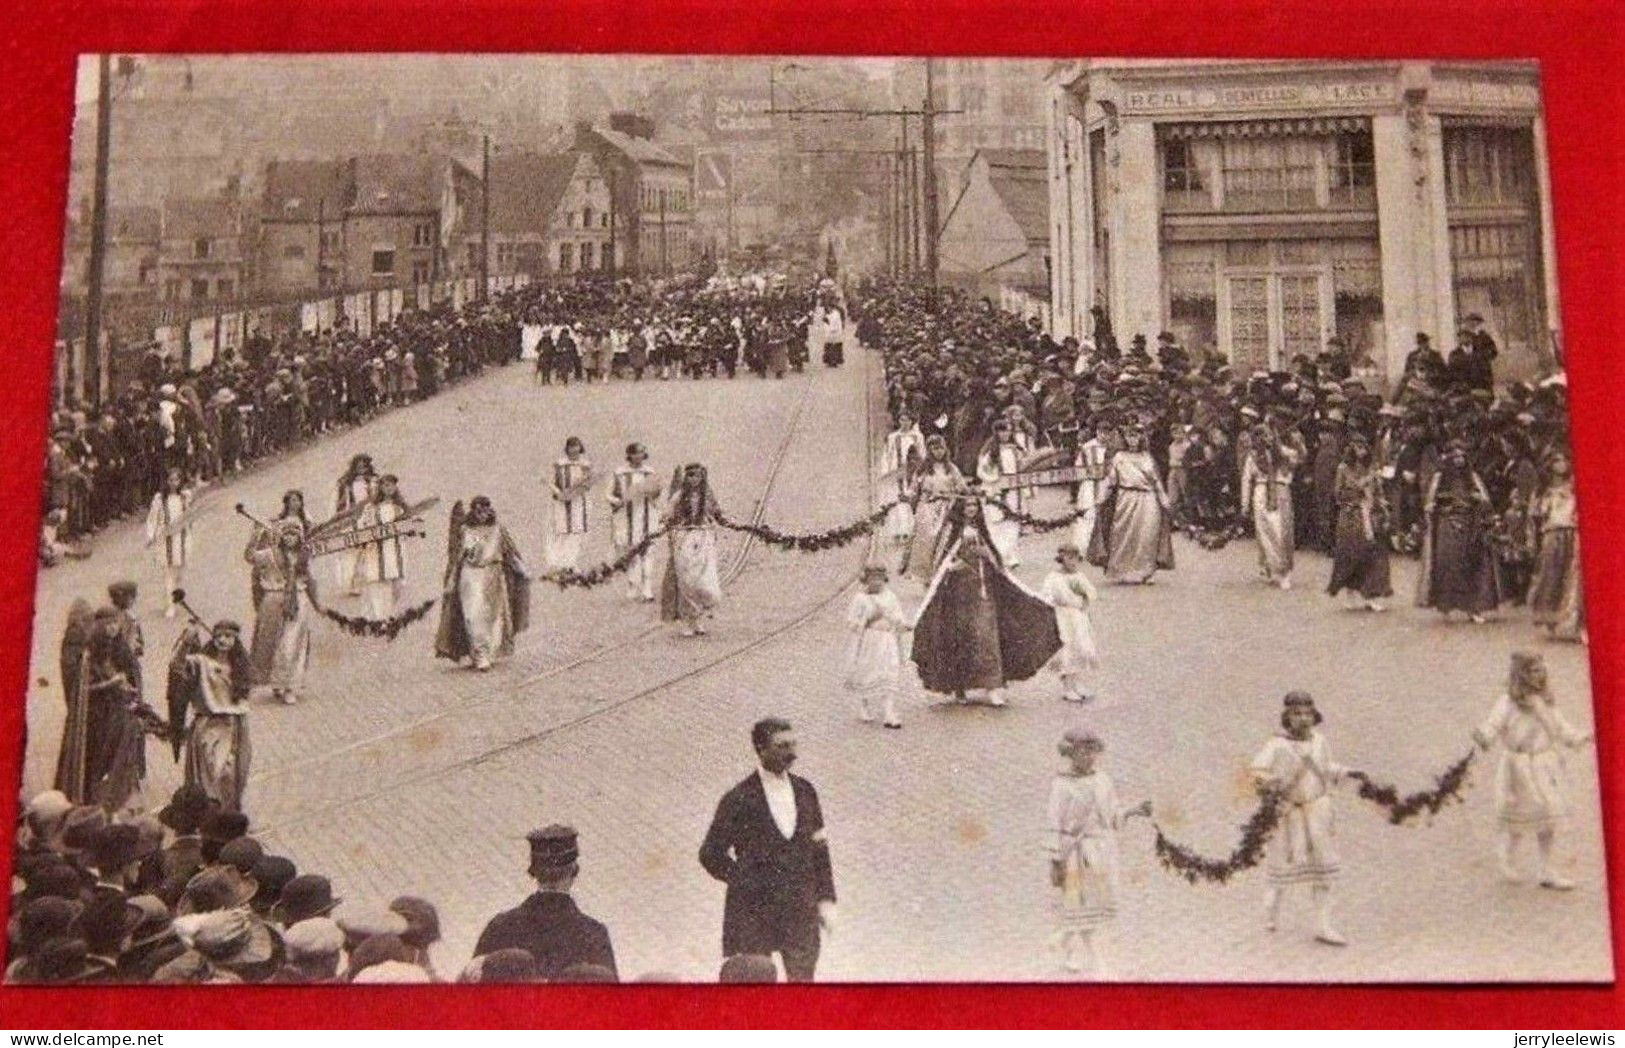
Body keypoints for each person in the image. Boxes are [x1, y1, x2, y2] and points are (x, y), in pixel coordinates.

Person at [699, 718, 837, 982]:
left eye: (793, 744)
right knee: (757, 982)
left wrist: (826, 899)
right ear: (761, 749)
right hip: (756, 910)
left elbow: (820, 849)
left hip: (800, 907)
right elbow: (710, 854)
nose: (792, 754)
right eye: (782, 746)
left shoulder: (806, 791)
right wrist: (743, 878)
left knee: (803, 983)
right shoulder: (739, 798)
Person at [910, 498, 1061, 707]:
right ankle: (959, 687)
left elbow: (997, 559)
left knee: (987, 636)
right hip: (959, 595)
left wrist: (988, 555)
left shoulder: (982, 530)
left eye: (974, 506)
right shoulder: (951, 531)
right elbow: (942, 563)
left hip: (984, 592)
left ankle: (993, 686)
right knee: (962, 637)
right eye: (967, 506)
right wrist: (956, 565)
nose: (971, 510)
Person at [1473, 653, 1593, 890]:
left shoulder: (1545, 701)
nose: (1540, 675)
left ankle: (1546, 870)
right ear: (1522, 675)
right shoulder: (1507, 702)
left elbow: (1560, 727)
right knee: (1518, 817)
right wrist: (1484, 735)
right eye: (1534, 671)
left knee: (1548, 817)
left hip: (1543, 765)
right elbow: (1493, 725)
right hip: (1517, 768)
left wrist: (1581, 737)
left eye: (1541, 670)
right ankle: (1506, 854)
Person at [1250, 692, 1355, 946]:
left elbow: (1326, 767)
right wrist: (1269, 782)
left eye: (1307, 713)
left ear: (1314, 715)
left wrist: (1348, 772)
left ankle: (1323, 925)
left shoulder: (1320, 741)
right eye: (1297, 713)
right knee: (1280, 874)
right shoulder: (1277, 745)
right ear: (1287, 717)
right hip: (1289, 816)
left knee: (1324, 872)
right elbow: (1257, 771)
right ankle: (1270, 914)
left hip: (1317, 814)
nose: (1303, 718)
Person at [1046, 730, 1151, 976]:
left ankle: (1064, 941)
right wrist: (1055, 859)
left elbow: (1112, 816)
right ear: (1070, 754)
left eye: (1092, 751)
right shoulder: (1061, 785)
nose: (1089, 757)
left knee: (1090, 904)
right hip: (1073, 852)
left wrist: (1134, 811)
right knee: (1079, 903)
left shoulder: (1103, 781)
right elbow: (1053, 824)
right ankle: (1096, 962)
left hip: (1101, 851)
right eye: (1083, 751)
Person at [474, 825, 618, 981]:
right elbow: (612, 1001)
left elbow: (473, 994)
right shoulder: (594, 935)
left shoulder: (499, 928)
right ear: (575, 871)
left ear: (533, 871)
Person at [55, 606, 158, 813]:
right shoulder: (89, 654)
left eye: (115, 623)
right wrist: (111, 683)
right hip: (97, 717)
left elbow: (131, 675)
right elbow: (83, 690)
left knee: (119, 759)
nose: (113, 628)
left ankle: (117, 800)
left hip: (119, 715)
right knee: (98, 759)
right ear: (99, 626)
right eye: (108, 624)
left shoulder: (120, 648)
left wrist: (129, 690)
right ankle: (93, 801)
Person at [165, 620, 254, 814]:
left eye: (228, 636)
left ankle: (228, 813)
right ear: (212, 638)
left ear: (235, 639)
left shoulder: (240, 665)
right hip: (209, 726)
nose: (223, 640)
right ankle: (207, 813)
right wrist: (186, 640)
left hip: (235, 725)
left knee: (234, 774)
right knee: (216, 772)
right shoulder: (201, 662)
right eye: (219, 636)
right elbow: (177, 664)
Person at [434, 496, 531, 672]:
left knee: (492, 617)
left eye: (486, 511)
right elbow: (457, 558)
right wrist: (451, 580)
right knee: (473, 616)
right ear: (473, 512)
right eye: (479, 511)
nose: (482, 515)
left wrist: (522, 570)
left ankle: (488, 651)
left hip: (493, 575)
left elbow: (509, 552)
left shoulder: (498, 529)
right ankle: (480, 654)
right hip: (470, 576)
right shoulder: (464, 530)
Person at [1416, 440, 1503, 623]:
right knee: (1447, 565)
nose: (1459, 460)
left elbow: (1485, 501)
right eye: (1455, 456)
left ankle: (1474, 608)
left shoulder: (1472, 477)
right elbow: (1429, 504)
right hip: (1447, 524)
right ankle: (1445, 606)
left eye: (1462, 456)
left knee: (1472, 564)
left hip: (1470, 524)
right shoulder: (1439, 478)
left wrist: (1478, 500)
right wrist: (1435, 507)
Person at [1086, 422, 1174, 584]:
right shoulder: (1119, 457)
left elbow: (1156, 481)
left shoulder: (1147, 457)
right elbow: (1111, 480)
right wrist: (1101, 498)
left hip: (1148, 500)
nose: (1132, 440)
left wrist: (1164, 499)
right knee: (1124, 535)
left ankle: (1147, 572)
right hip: (1126, 498)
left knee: (1147, 535)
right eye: (1129, 436)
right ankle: (1122, 570)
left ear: (1141, 437)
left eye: (1135, 436)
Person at [245, 521, 314, 704]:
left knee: (292, 643)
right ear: (281, 537)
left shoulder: (304, 556)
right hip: (273, 599)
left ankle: (291, 686)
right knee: (272, 642)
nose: (290, 538)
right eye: (286, 535)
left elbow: (310, 580)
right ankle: (276, 682)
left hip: (297, 601)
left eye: (294, 535)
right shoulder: (269, 555)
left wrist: (317, 603)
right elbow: (250, 557)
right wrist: (254, 537)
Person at [1325, 439, 1393, 612]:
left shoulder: (1372, 469)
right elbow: (1337, 494)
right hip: (1351, 514)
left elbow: (1379, 492)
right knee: (1351, 553)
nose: (1360, 451)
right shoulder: (1343, 469)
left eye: (1363, 447)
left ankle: (1372, 595)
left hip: (1371, 516)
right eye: (1357, 447)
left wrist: (1381, 504)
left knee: (1374, 555)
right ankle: (1351, 592)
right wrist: (1357, 491)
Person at [1240, 416, 1306, 590]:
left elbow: (1299, 459)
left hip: (1281, 492)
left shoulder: (1282, 453)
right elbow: (1246, 480)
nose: (1266, 439)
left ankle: (1284, 570)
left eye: (1268, 435)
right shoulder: (1253, 457)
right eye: (1261, 436)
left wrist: (1298, 443)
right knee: (1265, 533)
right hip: (1261, 494)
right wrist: (1244, 504)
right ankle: (1271, 566)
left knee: (1282, 532)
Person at [842, 564, 908, 729]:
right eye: (873, 579)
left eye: (880, 578)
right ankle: (864, 705)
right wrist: (868, 618)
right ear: (866, 580)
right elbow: (851, 622)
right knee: (867, 672)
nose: (877, 582)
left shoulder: (890, 596)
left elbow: (897, 615)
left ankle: (889, 713)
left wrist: (903, 625)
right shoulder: (860, 599)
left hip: (887, 640)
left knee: (890, 672)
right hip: (869, 641)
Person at [661, 463, 723, 637]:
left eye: (697, 476)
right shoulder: (679, 496)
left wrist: (723, 519)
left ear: (702, 477)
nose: (693, 479)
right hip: (684, 537)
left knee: (705, 580)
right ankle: (689, 621)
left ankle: (699, 615)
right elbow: (668, 511)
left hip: (704, 538)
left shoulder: (708, 496)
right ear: (686, 478)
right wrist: (666, 518)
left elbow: (717, 513)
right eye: (690, 476)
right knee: (687, 581)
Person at [1528, 453, 1584, 642]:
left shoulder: (1574, 486)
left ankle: (1573, 621)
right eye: (1557, 461)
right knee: (1551, 575)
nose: (1562, 464)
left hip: (1573, 532)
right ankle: (1550, 619)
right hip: (1552, 533)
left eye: (1564, 460)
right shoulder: (1544, 490)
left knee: (1572, 577)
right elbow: (1535, 516)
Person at [901, 435, 965, 585]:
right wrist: (907, 495)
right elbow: (913, 488)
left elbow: (961, 485)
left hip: (946, 506)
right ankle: (925, 574)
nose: (938, 452)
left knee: (943, 539)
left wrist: (957, 492)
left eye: (941, 448)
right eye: (935, 449)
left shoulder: (951, 468)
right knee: (926, 539)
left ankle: (938, 573)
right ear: (929, 450)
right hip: (927, 506)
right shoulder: (923, 469)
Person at [1041, 544, 1099, 704]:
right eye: (1069, 558)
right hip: (1063, 617)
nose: (1072, 562)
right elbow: (1046, 596)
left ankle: (1077, 683)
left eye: (1075, 558)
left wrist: (1085, 597)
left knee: (1082, 648)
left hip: (1078, 617)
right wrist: (1054, 605)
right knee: (1067, 648)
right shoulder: (1054, 577)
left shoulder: (1079, 576)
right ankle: (1067, 687)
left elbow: (1091, 593)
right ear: (1062, 559)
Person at [606, 443, 663, 603]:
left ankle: (647, 587)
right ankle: (633, 585)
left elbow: (656, 493)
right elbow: (609, 494)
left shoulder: (650, 472)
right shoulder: (620, 473)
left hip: (647, 515)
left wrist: (654, 492)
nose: (638, 457)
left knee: (648, 550)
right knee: (631, 552)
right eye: (635, 453)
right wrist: (617, 501)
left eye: (641, 453)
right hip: (626, 517)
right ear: (629, 455)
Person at [356, 473, 411, 621]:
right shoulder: (372, 508)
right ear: (380, 487)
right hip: (377, 551)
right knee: (380, 584)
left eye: (391, 485)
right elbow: (362, 526)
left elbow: (410, 526)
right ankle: (381, 619)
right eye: (385, 485)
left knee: (398, 586)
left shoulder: (400, 507)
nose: (388, 488)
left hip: (396, 550)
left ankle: (387, 614)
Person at [144, 467, 194, 619]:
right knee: (169, 573)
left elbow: (190, 515)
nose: (173, 483)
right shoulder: (159, 499)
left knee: (180, 573)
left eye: (176, 480)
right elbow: (152, 519)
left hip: (182, 538)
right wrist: (151, 535)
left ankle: (176, 595)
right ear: (166, 481)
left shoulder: (185, 496)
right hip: (166, 540)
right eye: (170, 480)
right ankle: (170, 604)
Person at [880, 412, 927, 551]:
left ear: (911, 421)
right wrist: (887, 471)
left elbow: (922, 454)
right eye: (902, 420)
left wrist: (920, 470)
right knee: (896, 499)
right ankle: (897, 531)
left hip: (911, 470)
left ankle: (908, 531)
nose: (904, 423)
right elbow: (887, 454)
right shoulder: (893, 437)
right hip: (897, 471)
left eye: (907, 420)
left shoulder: (917, 436)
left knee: (909, 498)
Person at [546, 437, 593, 574]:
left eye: (576, 446)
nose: (574, 450)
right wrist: (559, 493)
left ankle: (571, 563)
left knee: (576, 532)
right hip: (561, 502)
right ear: (567, 449)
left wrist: (578, 490)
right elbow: (551, 482)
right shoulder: (559, 464)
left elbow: (588, 483)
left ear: (580, 448)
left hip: (579, 502)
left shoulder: (585, 465)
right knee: (562, 531)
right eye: (571, 447)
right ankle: (558, 563)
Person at [332, 454, 377, 597]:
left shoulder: (373, 481)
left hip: (369, 519)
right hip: (353, 521)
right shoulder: (346, 485)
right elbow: (339, 504)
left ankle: (365, 577)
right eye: (359, 466)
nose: (361, 469)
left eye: (364, 466)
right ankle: (353, 583)